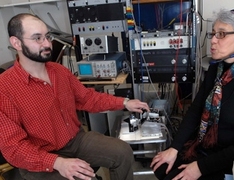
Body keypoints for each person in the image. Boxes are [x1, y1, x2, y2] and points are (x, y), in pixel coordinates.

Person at [0, 13, 150, 180]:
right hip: (41, 157)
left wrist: (125, 102)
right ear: (16, 43)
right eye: (38, 38)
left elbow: (86, 98)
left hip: (75, 140)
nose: (47, 43)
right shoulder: (4, 88)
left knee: (122, 152)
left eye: (47, 37)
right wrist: (58, 162)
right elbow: (13, 148)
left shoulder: (59, 71)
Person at [150, 9, 234, 180]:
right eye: (213, 34)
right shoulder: (216, 68)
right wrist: (174, 147)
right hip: (206, 147)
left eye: (221, 34)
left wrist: (200, 168)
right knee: (162, 167)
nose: (213, 40)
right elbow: (196, 109)